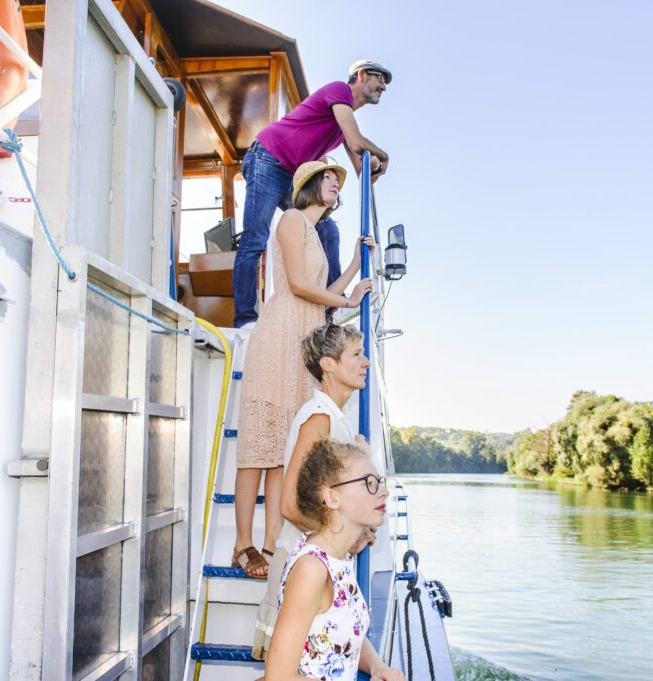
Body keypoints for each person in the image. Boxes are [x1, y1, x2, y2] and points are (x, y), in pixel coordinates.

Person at [232, 160, 373, 580]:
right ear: (310, 185)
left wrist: (353, 268)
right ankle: (243, 543)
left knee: (282, 450)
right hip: (279, 336)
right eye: (329, 178)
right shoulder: (292, 219)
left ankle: (274, 543)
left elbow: (323, 297)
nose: (335, 184)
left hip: (305, 339)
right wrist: (347, 302)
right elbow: (296, 283)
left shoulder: (314, 232)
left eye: (336, 180)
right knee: (258, 446)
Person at [233, 59, 392, 327]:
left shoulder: (342, 126)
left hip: (290, 176)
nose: (384, 87)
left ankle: (333, 305)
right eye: (381, 79)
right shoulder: (339, 90)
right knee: (255, 238)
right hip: (267, 159)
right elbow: (356, 141)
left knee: (327, 230)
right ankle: (245, 319)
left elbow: (361, 171)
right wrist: (384, 155)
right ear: (361, 75)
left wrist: (372, 167)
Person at [251, 323, 375, 658]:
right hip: (302, 573)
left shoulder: (337, 420)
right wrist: (342, 536)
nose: (366, 362)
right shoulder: (319, 418)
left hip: (321, 571)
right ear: (328, 364)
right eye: (356, 354)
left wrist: (354, 534)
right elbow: (290, 505)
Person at [264, 439, 403, 681]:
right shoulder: (312, 569)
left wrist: (377, 667)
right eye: (369, 483)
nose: (384, 491)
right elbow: (278, 678)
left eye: (379, 482)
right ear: (332, 498)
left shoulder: (338, 557)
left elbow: (343, 636)